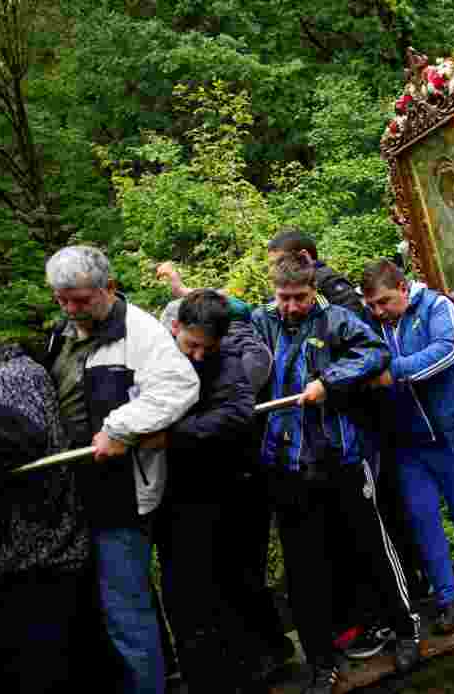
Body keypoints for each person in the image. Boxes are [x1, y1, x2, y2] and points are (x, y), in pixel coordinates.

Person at [251, 254, 420, 694]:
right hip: (286, 463)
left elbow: (376, 353)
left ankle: (405, 629)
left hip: (341, 455)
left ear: (313, 290)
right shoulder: (259, 323)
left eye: (300, 298)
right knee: (303, 568)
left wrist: (330, 380)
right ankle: (321, 662)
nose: (291, 307)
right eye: (283, 298)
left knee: (372, 547)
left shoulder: (337, 320)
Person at [43, 246, 200, 694]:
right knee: (110, 603)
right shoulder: (64, 333)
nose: (71, 309)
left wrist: (121, 427)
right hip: (77, 488)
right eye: (62, 299)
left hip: (122, 490)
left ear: (109, 289)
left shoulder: (141, 333)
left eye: (81, 300)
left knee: (124, 607)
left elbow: (179, 386)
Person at [360, 260, 454, 637]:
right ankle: (447, 598)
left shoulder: (436, 307)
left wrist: (395, 372)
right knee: (424, 521)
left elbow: (447, 350)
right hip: (408, 442)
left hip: (452, 431)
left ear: (403, 288)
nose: (379, 311)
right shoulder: (373, 324)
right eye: (372, 305)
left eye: (385, 301)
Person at [153, 290, 263, 692]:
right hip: (172, 494)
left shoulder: (228, 359)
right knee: (184, 594)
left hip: (219, 486)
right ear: (175, 328)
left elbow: (236, 411)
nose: (199, 355)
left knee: (227, 584)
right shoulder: (154, 357)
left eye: (207, 348)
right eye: (192, 345)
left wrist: (172, 436)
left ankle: (242, 672)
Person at [0, 314, 93, 692]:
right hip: (32, 550)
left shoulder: (7, 379)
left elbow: (18, 444)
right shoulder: (16, 370)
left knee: (35, 671)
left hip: (31, 553)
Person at [157, 227, 366, 320]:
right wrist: (184, 290)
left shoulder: (329, 283)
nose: (274, 271)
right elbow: (242, 304)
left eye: (279, 262)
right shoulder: (272, 303)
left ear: (305, 257)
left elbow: (356, 325)